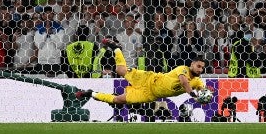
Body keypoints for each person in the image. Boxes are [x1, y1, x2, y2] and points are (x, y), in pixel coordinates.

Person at [76, 38, 206, 105]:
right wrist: (194, 96)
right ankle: (116, 48)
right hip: (149, 79)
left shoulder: (197, 81)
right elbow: (184, 82)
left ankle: (91, 93)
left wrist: (205, 96)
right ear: (192, 64)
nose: (200, 69)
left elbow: (203, 90)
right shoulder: (183, 69)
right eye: (198, 66)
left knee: (118, 100)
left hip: (149, 94)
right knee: (119, 69)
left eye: (202, 68)